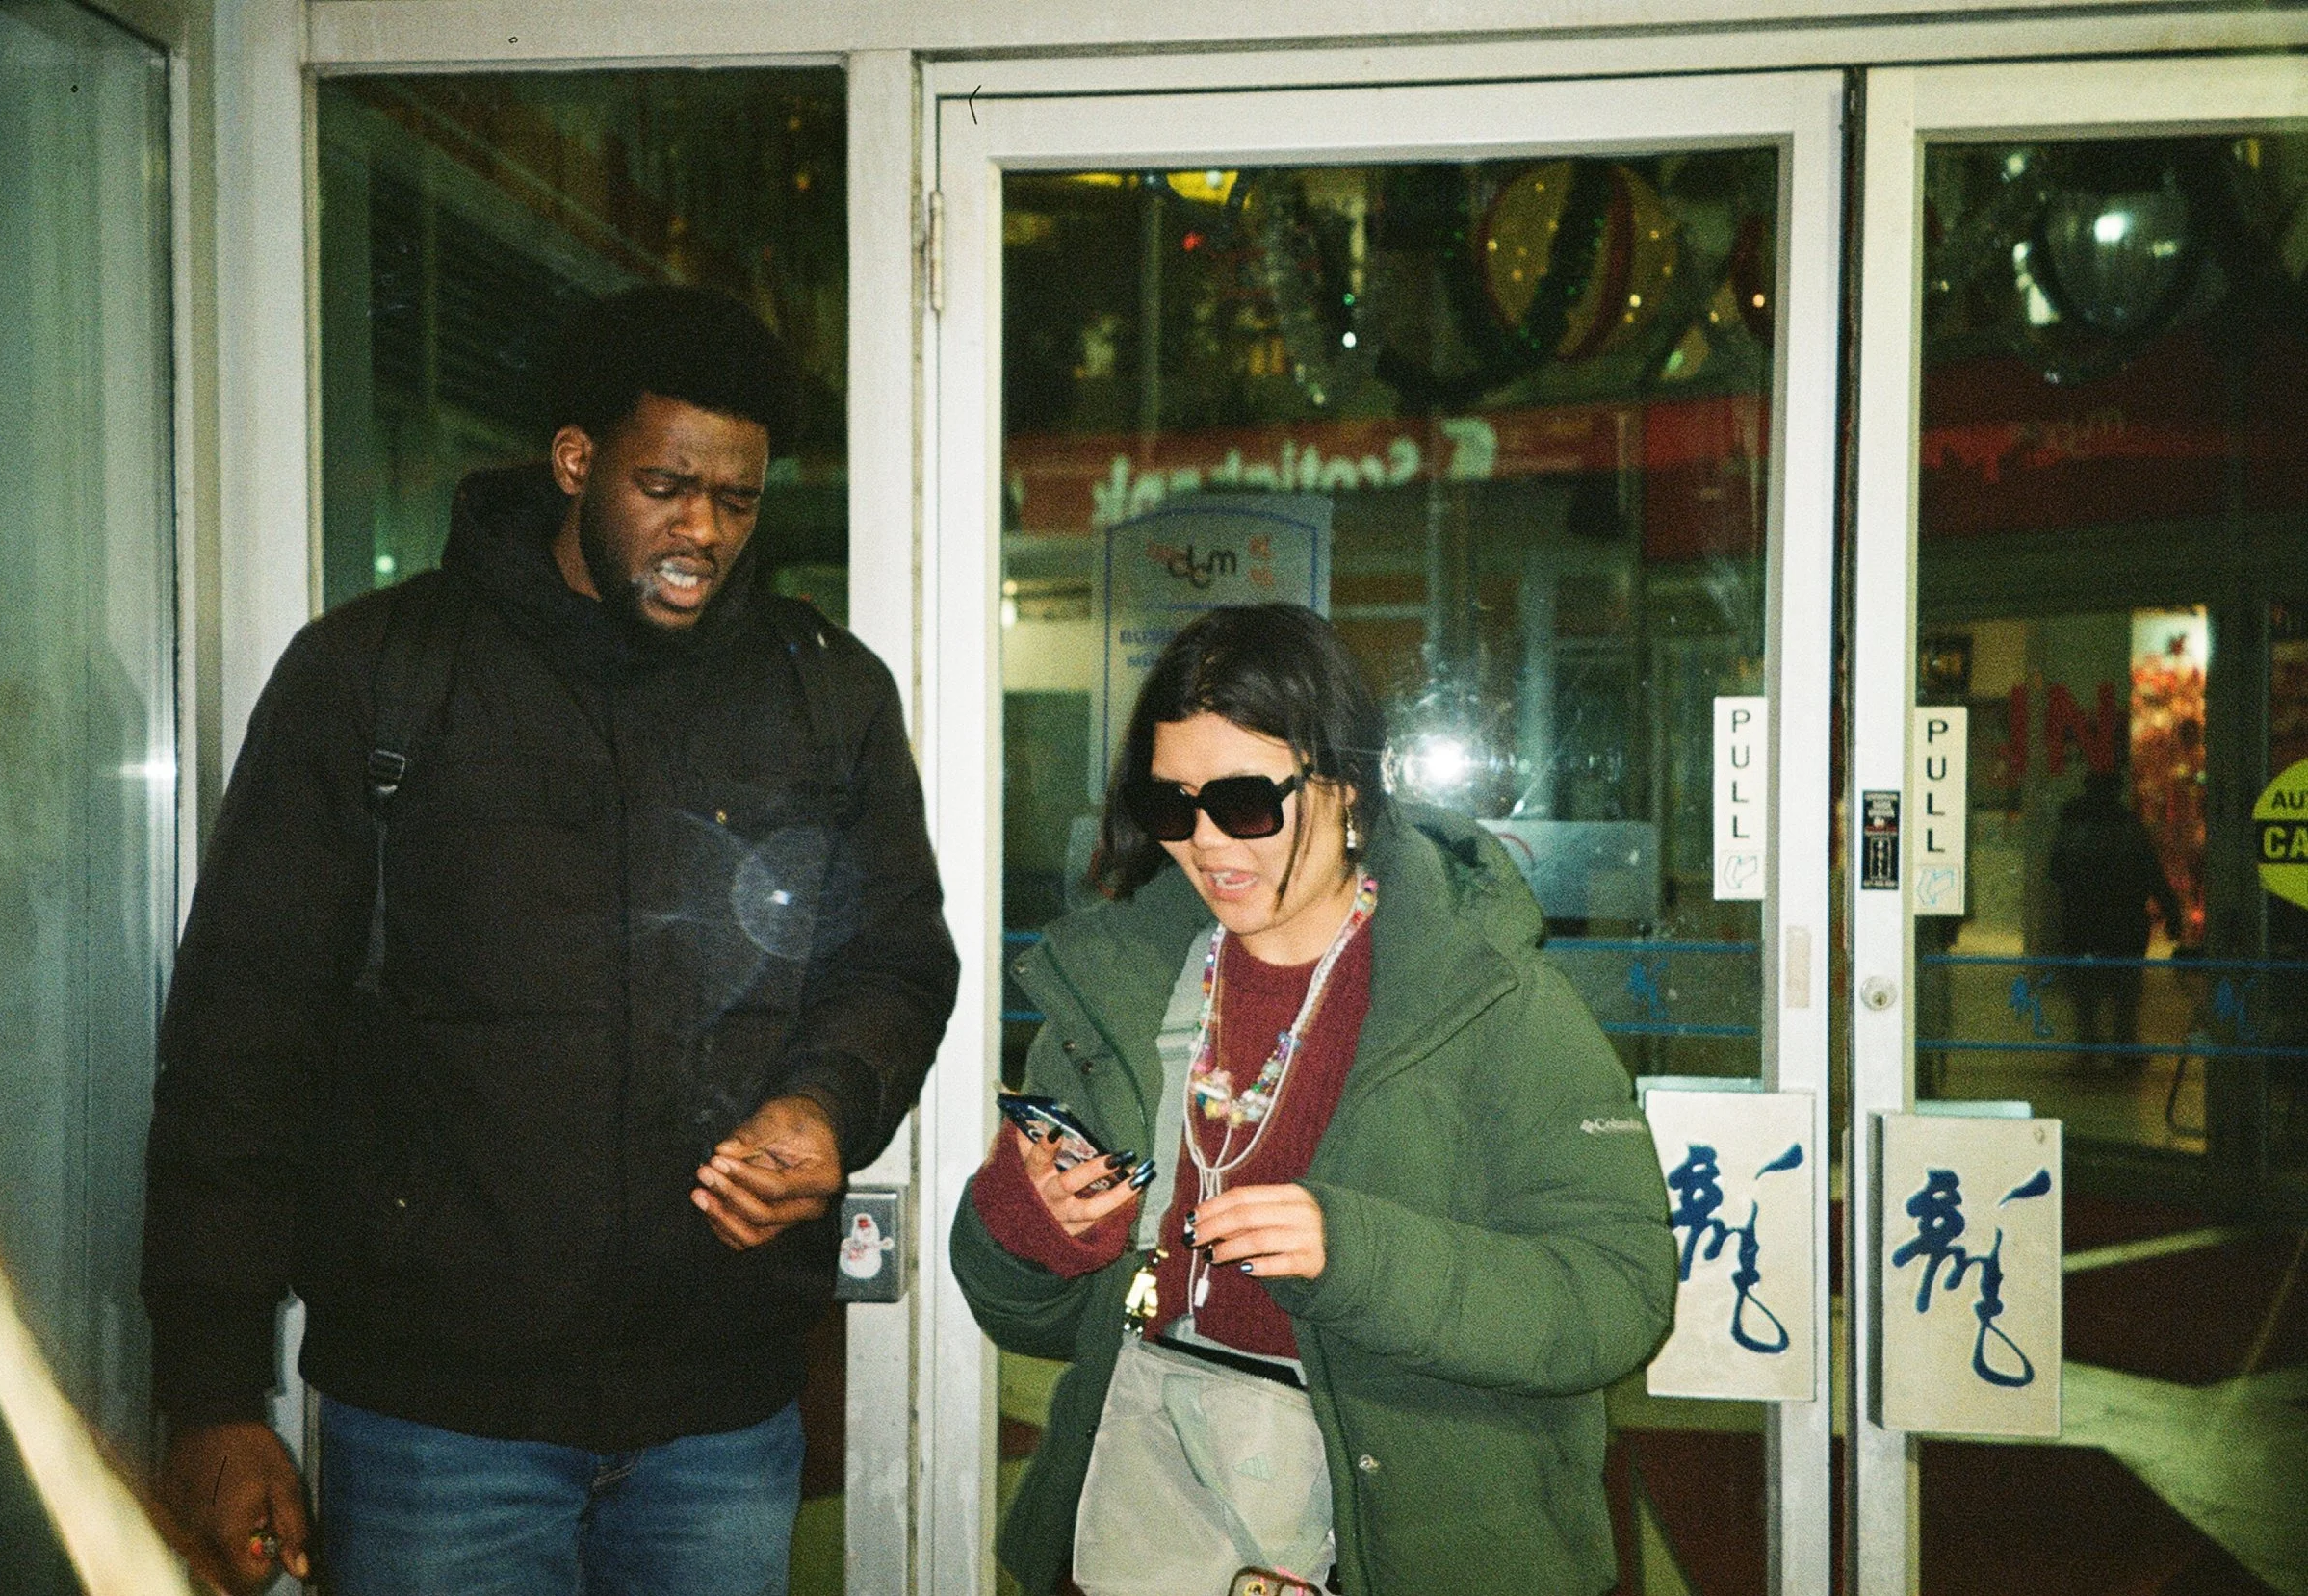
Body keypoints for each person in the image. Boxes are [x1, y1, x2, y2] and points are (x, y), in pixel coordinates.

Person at [142, 286, 958, 1596]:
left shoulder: (825, 690)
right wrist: (211, 1393)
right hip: (434, 1428)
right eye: (667, 484)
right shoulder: (376, 676)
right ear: (574, 462)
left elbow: (894, 960)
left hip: (722, 1417)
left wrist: (827, 1099)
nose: (704, 530)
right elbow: (242, 1041)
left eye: (739, 498)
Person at [950, 605, 1675, 1596]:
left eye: (1245, 802)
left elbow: (1615, 1294)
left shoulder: (1487, 995)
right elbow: (1032, 1318)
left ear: (1339, 787)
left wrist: (1356, 1252)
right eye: (1172, 807)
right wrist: (1025, 1231)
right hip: (1150, 1516)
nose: (1206, 843)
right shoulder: (1115, 987)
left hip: (1420, 1538)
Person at [2046, 766, 2180, 1058]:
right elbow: (2151, 872)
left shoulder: (2071, 825)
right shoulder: (2129, 826)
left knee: (2085, 994)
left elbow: (2055, 872)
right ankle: (2124, 1047)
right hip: (2124, 922)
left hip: (2081, 920)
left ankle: (2088, 1045)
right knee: (2125, 993)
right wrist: (2171, 911)